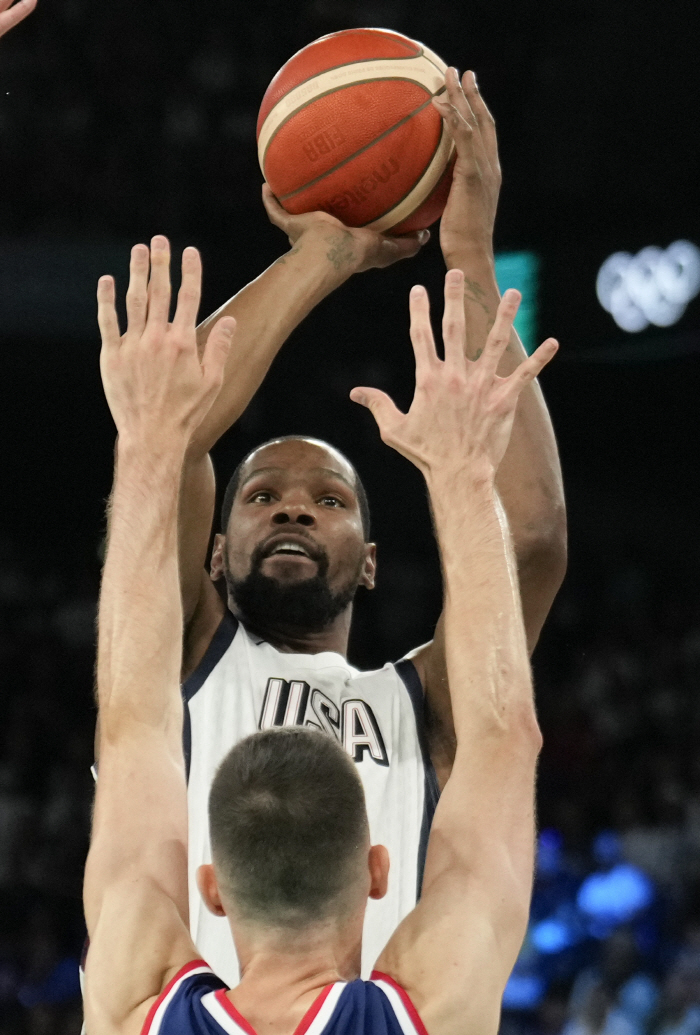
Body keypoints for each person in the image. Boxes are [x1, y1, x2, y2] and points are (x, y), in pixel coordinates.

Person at [95, 68, 562, 986]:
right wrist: (325, 255)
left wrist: (468, 251)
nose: (296, 505)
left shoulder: (424, 704)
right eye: (261, 495)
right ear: (214, 556)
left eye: (331, 500)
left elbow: (533, 542)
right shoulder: (180, 656)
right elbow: (173, 426)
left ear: (375, 562)